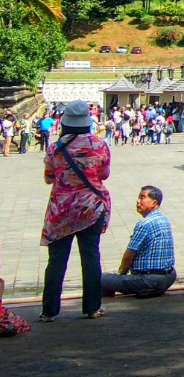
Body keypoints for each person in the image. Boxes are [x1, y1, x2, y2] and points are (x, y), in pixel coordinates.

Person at [40, 100, 112, 321]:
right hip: (91, 207)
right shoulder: (99, 145)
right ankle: (92, 307)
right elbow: (104, 175)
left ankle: (49, 311)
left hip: (61, 210)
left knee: (57, 260)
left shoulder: (55, 148)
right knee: (90, 257)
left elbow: (48, 178)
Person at [101, 185, 178, 298]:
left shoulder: (144, 224)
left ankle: (103, 303)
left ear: (154, 203)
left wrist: (121, 275)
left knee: (100, 279)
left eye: (142, 198)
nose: (138, 201)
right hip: (169, 277)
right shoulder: (164, 219)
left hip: (149, 279)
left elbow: (128, 256)